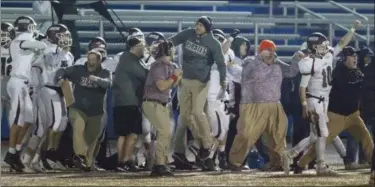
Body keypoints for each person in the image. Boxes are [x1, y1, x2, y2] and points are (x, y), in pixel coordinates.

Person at [282, 20, 361, 176]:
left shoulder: (329, 53)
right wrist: (304, 105)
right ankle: (321, 165)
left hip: (324, 100)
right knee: (323, 134)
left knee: (315, 135)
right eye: (321, 46)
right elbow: (302, 86)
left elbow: (343, 42)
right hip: (314, 100)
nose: (325, 48)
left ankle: (290, 154)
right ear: (313, 48)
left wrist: (352, 28)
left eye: (325, 45)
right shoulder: (309, 62)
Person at [293, 46, 373, 173]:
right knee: (321, 143)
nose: (355, 58)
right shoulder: (337, 72)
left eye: (356, 56)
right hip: (337, 116)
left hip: (353, 115)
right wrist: (365, 83)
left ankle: (372, 163)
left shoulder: (356, 71)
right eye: (352, 56)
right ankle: (301, 164)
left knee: (366, 138)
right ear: (343, 59)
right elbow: (348, 89)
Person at [227, 39, 299, 172]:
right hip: (252, 104)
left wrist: (295, 59)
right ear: (261, 50)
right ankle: (234, 162)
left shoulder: (277, 63)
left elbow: (291, 73)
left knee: (277, 136)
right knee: (246, 134)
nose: (271, 53)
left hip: (274, 104)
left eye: (273, 51)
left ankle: (277, 162)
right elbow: (246, 72)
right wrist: (260, 58)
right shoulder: (250, 61)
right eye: (268, 50)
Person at [169, 16, 226, 164]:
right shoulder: (189, 33)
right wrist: (164, 46)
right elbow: (173, 41)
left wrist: (223, 80)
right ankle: (201, 142)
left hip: (202, 82)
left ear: (207, 27)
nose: (197, 27)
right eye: (196, 24)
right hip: (186, 80)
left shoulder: (214, 43)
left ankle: (207, 144)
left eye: (200, 25)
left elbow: (221, 63)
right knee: (185, 115)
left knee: (197, 112)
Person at [21, 24, 74, 173]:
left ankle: (36, 159)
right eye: (62, 36)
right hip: (46, 89)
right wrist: (61, 52)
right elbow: (50, 62)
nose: (65, 39)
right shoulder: (44, 47)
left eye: (66, 36)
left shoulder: (68, 54)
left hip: (61, 91)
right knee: (51, 126)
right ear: (53, 35)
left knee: (58, 126)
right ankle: (30, 158)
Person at [55, 49, 112, 171]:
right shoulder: (78, 69)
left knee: (92, 138)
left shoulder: (105, 72)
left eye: (93, 60)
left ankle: (88, 163)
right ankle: (80, 155)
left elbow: (108, 84)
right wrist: (60, 78)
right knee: (78, 128)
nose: (90, 62)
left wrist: (97, 79)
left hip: (96, 111)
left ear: (99, 61)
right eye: (89, 59)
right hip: (78, 107)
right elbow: (62, 71)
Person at [3, 16, 47, 173]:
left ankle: (16, 150)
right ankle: (12, 153)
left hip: (22, 83)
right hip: (18, 83)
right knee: (18, 120)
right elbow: (41, 45)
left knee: (29, 119)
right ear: (28, 27)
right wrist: (39, 38)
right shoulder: (22, 39)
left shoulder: (21, 40)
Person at [142, 41, 182, 176]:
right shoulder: (159, 65)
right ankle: (158, 165)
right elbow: (162, 86)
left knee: (167, 133)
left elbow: (172, 85)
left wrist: (177, 76)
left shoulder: (168, 65)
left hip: (162, 103)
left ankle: (161, 163)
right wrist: (175, 75)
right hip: (153, 102)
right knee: (164, 132)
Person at [112, 37, 147, 172]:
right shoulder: (130, 59)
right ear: (135, 47)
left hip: (124, 101)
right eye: (142, 46)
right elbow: (145, 74)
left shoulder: (128, 58)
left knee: (124, 133)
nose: (144, 48)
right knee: (130, 134)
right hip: (128, 101)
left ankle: (124, 161)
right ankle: (124, 161)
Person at [345, 47, 374, 168]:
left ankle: (363, 159)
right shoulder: (356, 71)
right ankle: (353, 160)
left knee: (364, 135)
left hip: (366, 107)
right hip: (358, 108)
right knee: (358, 134)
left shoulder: (364, 71)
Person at [1, 22, 16, 136]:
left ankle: (14, 147)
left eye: (4, 34)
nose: (2, 37)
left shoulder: (17, 47)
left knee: (14, 119)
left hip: (13, 82)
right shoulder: (18, 47)